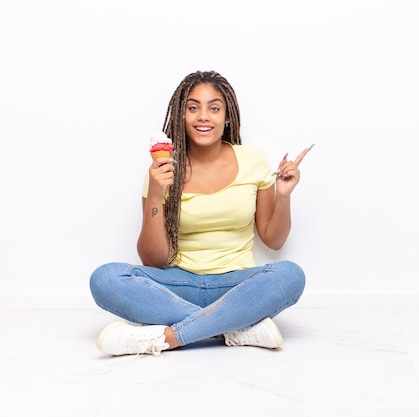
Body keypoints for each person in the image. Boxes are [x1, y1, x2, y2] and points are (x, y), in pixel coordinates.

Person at [90, 70, 312, 356]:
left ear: (227, 116)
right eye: (193, 107)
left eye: (214, 108)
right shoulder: (163, 170)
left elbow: (274, 240)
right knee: (104, 279)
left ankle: (169, 338)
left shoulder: (253, 160)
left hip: (236, 284)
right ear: (181, 116)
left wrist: (283, 197)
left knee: (290, 276)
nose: (203, 116)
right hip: (178, 284)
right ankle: (233, 327)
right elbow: (152, 260)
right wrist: (157, 194)